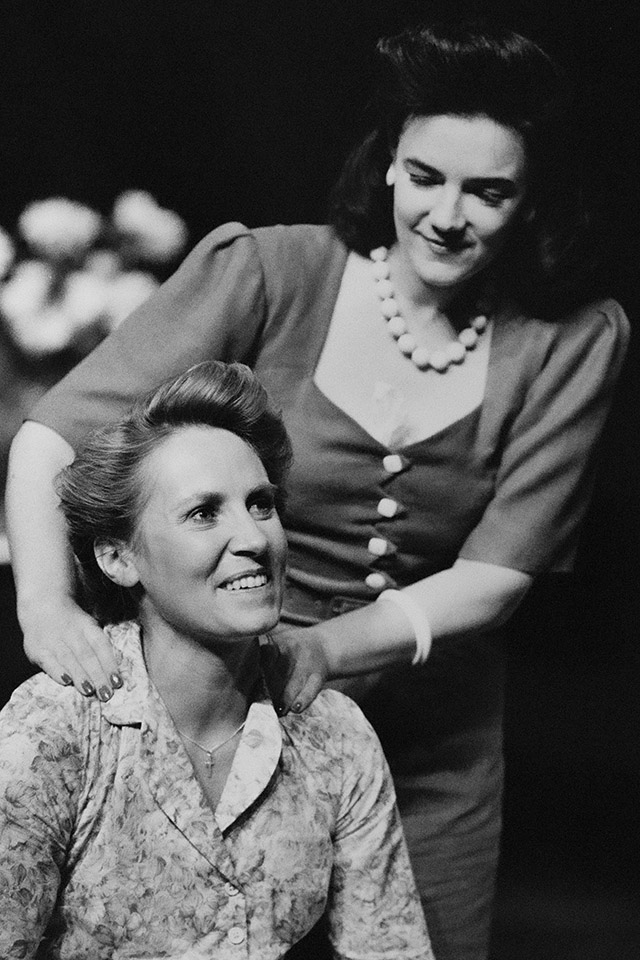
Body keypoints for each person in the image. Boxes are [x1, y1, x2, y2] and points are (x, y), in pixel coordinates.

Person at [5, 19, 630, 960]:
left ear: (531, 197)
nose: (447, 214)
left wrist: (326, 651)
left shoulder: (574, 340)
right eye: (425, 176)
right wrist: (46, 605)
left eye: (488, 191)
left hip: (434, 747)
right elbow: (52, 436)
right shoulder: (271, 270)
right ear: (388, 167)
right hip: (221, 706)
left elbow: (500, 574)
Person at [0, 360, 432, 960]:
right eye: (204, 513)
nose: (254, 540)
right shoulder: (51, 734)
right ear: (118, 558)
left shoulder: (335, 735)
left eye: (261, 505)